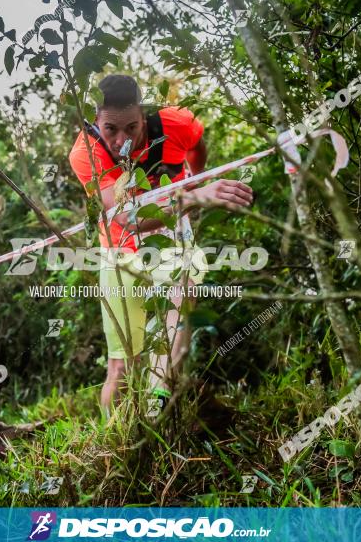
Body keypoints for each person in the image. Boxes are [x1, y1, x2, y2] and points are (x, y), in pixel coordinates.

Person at [68, 74, 253, 415]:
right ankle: (117, 447)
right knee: (121, 367)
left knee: (175, 329)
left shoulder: (176, 121)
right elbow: (129, 221)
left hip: (171, 239)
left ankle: (159, 417)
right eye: (111, 128)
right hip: (119, 248)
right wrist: (195, 196)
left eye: (132, 127)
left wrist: (198, 178)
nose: (122, 139)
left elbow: (197, 145)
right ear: (96, 119)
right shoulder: (85, 152)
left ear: (144, 114)